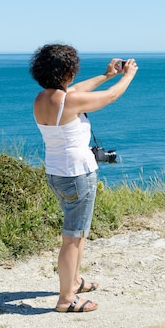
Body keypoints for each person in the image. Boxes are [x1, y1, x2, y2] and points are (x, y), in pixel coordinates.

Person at [29, 44, 138, 313]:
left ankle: (75, 281)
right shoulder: (69, 100)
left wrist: (106, 74)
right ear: (67, 71)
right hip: (77, 175)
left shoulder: (43, 98)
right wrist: (127, 76)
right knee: (72, 238)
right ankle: (66, 299)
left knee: (78, 234)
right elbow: (110, 97)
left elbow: (76, 91)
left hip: (57, 173)